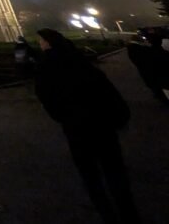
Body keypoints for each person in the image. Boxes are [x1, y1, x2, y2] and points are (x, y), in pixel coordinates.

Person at [34, 28, 139, 224]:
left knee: (90, 174)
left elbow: (46, 97)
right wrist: (119, 117)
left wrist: (63, 116)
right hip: (102, 126)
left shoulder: (47, 66)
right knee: (114, 170)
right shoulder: (79, 62)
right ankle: (128, 213)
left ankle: (107, 213)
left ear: (48, 43)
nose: (39, 43)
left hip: (76, 128)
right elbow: (106, 88)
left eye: (41, 40)